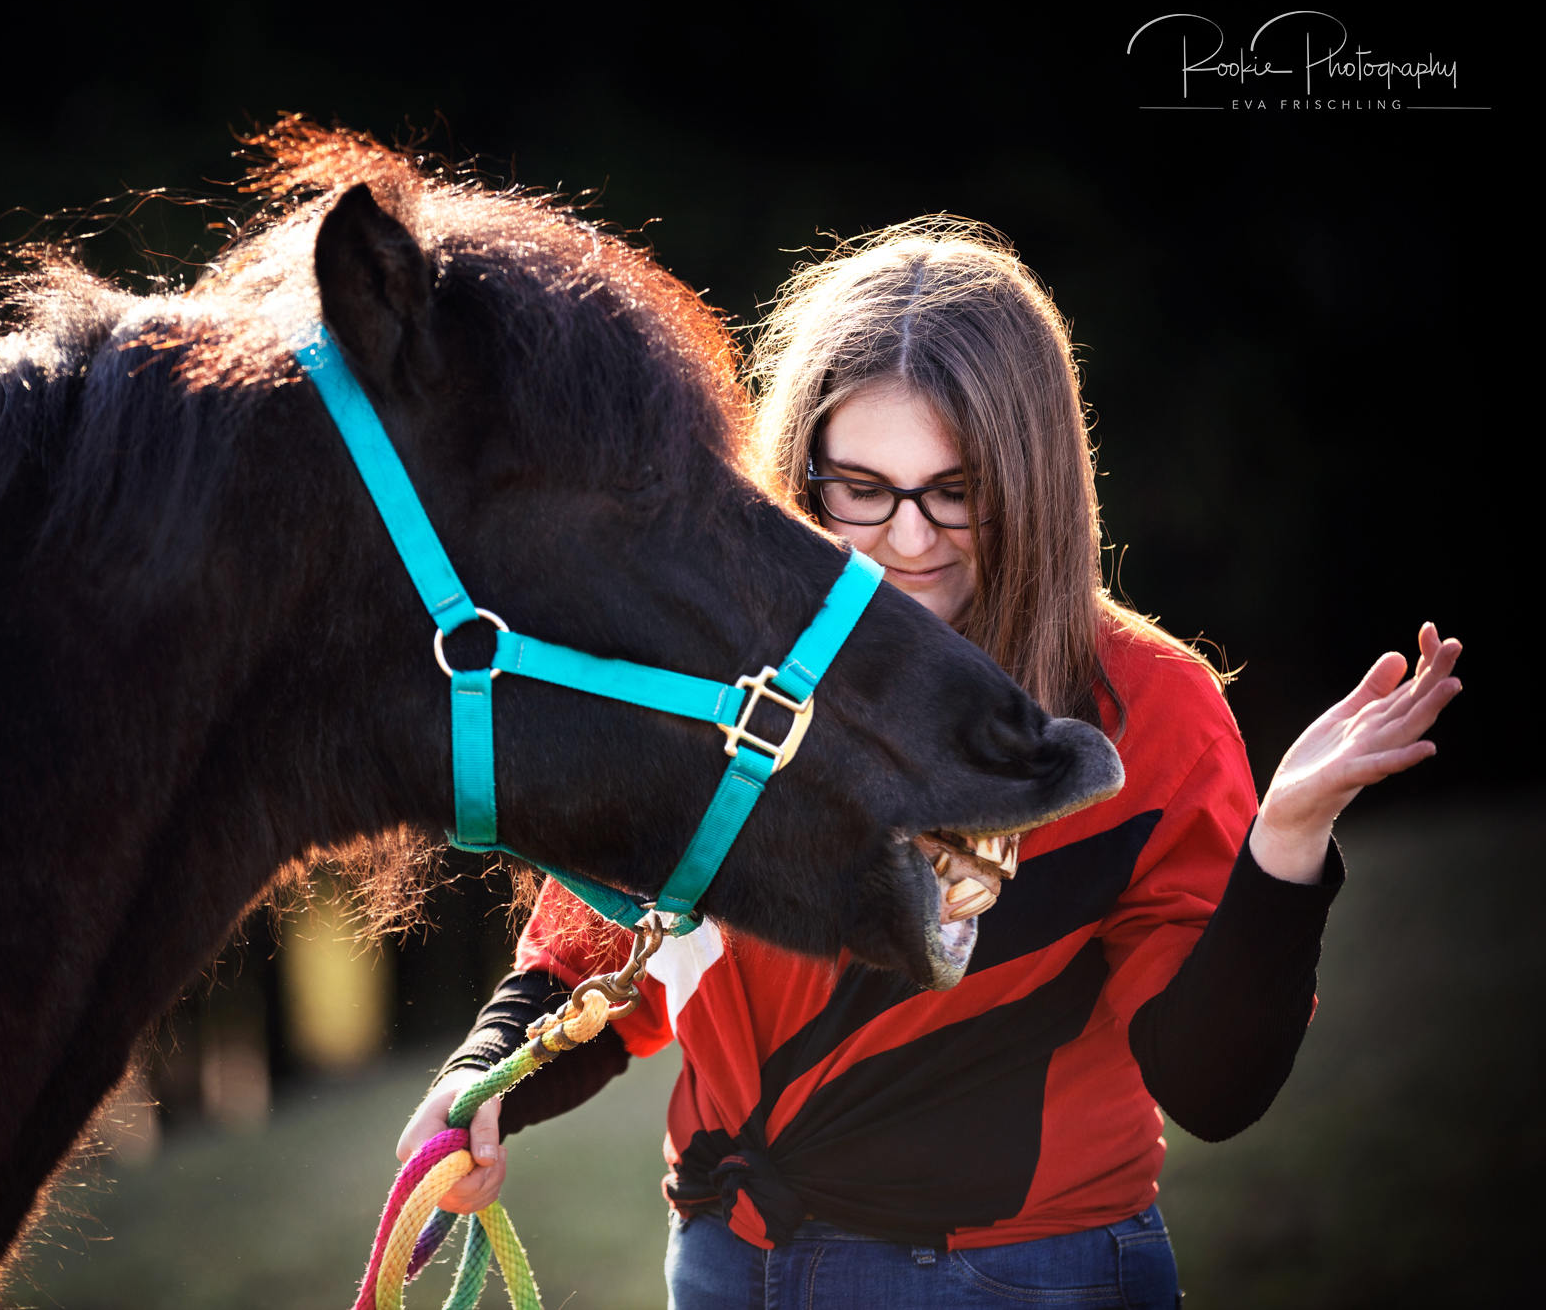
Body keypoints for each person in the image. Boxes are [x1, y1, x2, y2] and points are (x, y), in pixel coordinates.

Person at [393, 219, 1462, 1309]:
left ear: (1034, 483)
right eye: (861, 487)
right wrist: (480, 1083)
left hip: (1010, 1277)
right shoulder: (712, 679)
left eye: (956, 490)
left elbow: (1212, 1087)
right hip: (721, 1256)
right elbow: (601, 964)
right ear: (795, 476)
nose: (908, 541)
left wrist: (1287, 842)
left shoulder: (1144, 712)